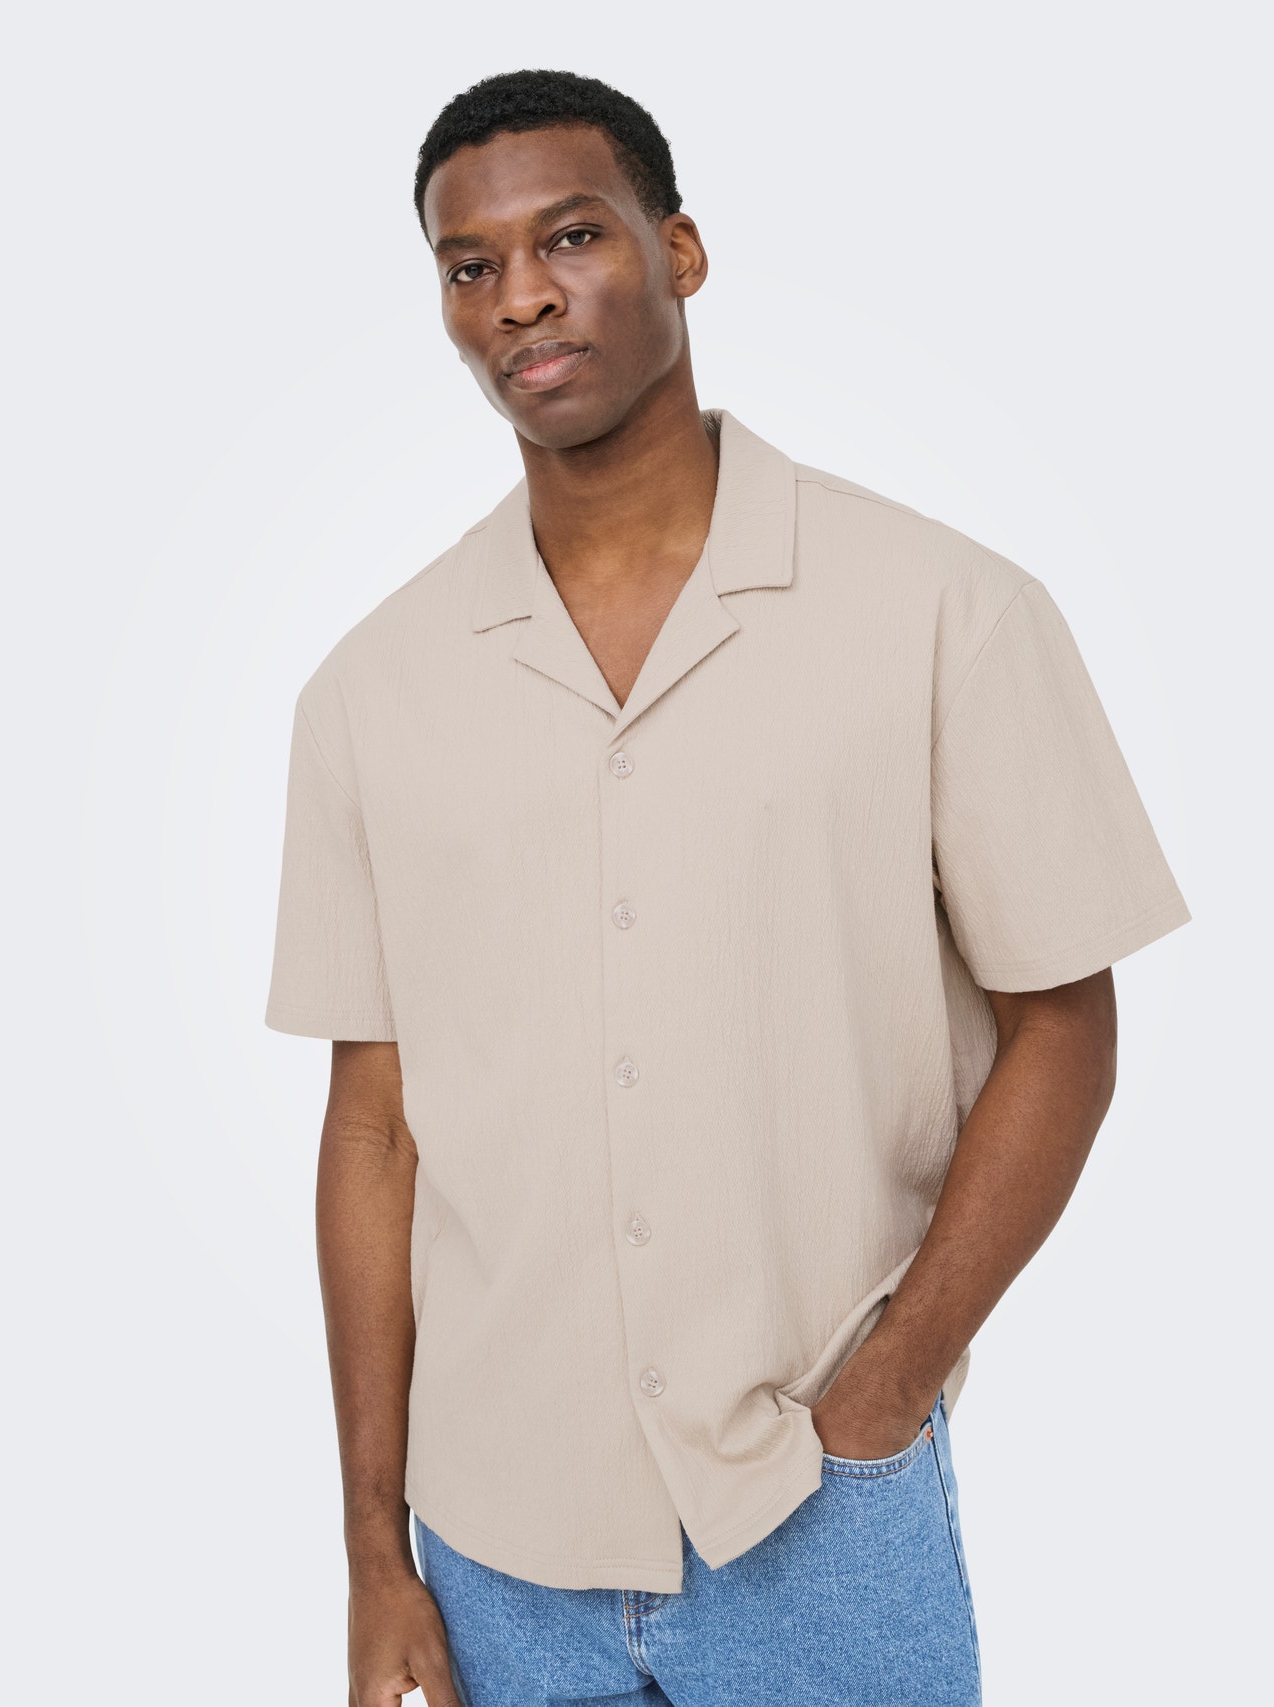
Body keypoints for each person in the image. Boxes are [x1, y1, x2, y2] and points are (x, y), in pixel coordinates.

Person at [264, 67, 1190, 1707]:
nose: (521, 295)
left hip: (817, 1514)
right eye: (471, 266)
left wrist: (887, 1393)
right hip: (489, 1551)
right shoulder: (370, 692)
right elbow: (373, 1129)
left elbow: (1065, 1025)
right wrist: (371, 1553)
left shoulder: (944, 611)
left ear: (679, 250)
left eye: (570, 237)